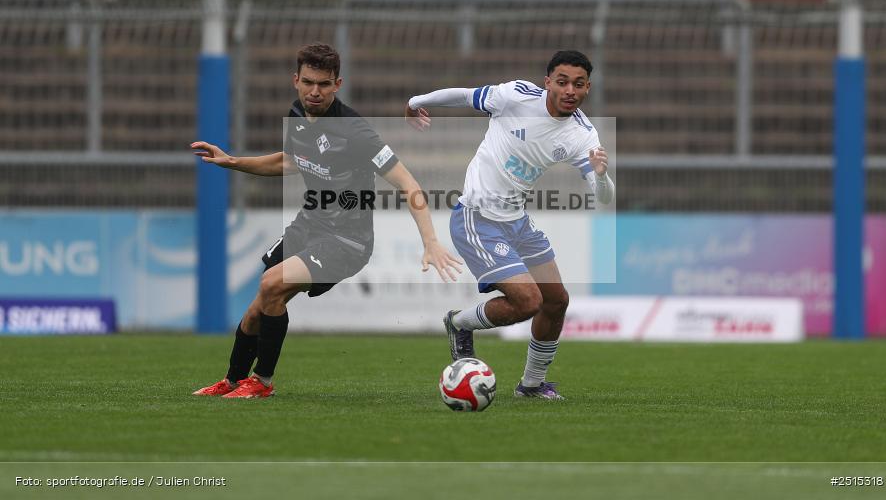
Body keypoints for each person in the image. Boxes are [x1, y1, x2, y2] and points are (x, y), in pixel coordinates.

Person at [191, 42, 461, 398]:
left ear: (338, 84)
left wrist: (430, 241)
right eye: (308, 82)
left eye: (323, 84)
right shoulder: (298, 115)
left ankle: (263, 383)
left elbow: (408, 182)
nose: (314, 91)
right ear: (296, 81)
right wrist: (234, 162)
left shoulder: (356, 132)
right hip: (309, 225)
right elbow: (289, 162)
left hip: (347, 242)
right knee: (260, 304)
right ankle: (233, 381)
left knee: (272, 285)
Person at [404, 50, 614, 400]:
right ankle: (459, 323)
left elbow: (604, 195)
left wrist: (603, 176)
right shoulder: (515, 96)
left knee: (556, 300)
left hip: (517, 221)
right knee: (528, 300)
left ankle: (531, 385)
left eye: (578, 84)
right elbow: (464, 96)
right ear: (548, 82)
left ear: (587, 88)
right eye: (562, 82)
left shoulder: (583, 135)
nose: (569, 91)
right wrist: (415, 101)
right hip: (477, 216)